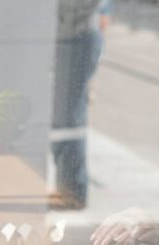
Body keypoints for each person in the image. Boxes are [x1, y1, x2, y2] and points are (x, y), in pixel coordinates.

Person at [49, 0, 108, 210]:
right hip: (69, 36)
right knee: (63, 117)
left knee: (68, 120)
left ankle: (72, 190)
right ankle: (67, 186)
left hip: (76, 37)